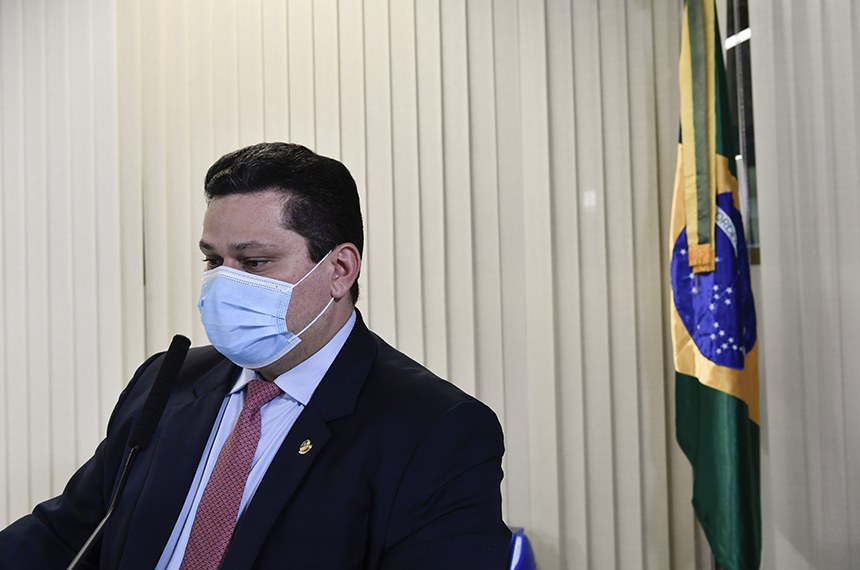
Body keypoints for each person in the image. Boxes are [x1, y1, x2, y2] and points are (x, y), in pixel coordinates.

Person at [0, 143, 510, 569]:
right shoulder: (167, 381)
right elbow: (64, 535)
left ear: (339, 270)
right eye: (213, 261)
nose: (224, 283)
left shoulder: (435, 427)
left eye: (254, 261)